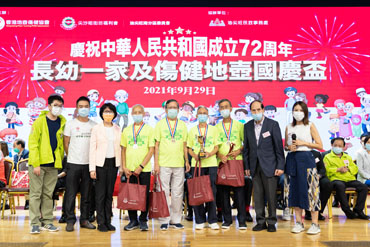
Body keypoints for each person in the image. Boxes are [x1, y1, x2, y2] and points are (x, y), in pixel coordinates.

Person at [243, 100, 285, 232]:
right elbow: (247, 149)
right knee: (258, 196)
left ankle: (271, 221)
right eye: (253, 111)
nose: (256, 113)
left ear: (263, 110)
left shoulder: (272, 124)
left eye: (258, 110)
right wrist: (247, 166)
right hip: (254, 166)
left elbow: (278, 147)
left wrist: (280, 165)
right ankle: (260, 221)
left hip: (271, 165)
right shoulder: (247, 126)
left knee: (271, 196)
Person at [28, 94, 66, 234]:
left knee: (48, 194)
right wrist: (36, 163)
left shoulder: (62, 122)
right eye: (55, 105)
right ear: (49, 106)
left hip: (53, 165)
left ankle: (48, 222)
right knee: (35, 194)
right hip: (38, 164)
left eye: (60, 106)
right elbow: (32, 144)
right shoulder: (39, 121)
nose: (58, 108)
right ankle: (35, 223)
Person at [285, 101, 323, 235]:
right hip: (292, 159)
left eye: (300, 110)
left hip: (306, 159)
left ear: (305, 112)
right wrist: (289, 147)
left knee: (311, 191)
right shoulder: (289, 126)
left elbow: (319, 144)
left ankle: (315, 224)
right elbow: (286, 145)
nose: (298, 112)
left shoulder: (310, 125)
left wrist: (304, 143)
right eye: (295, 110)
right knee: (294, 191)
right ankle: (299, 223)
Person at [154, 99, 189, 231]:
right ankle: (164, 220)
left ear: (178, 110)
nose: (173, 110)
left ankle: (176, 220)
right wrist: (156, 163)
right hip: (163, 163)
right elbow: (156, 145)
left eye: (175, 107)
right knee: (162, 192)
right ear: (166, 109)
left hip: (179, 163)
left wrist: (186, 160)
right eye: (170, 107)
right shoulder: (160, 124)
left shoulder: (183, 125)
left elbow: (185, 144)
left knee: (177, 193)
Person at [63, 96, 97, 232]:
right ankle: (70, 220)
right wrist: (71, 156)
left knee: (86, 194)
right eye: (81, 106)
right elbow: (66, 143)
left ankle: (84, 219)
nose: (83, 109)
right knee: (70, 193)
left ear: (90, 108)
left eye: (86, 106)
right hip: (73, 163)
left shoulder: (94, 125)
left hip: (88, 164)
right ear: (77, 108)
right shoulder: (70, 124)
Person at [121, 104, 154, 231]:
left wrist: (141, 166)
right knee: (131, 195)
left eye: (140, 112)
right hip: (129, 169)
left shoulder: (150, 129)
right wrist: (124, 166)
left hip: (144, 169)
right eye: (135, 112)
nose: (137, 114)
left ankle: (143, 220)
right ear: (131, 114)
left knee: (144, 195)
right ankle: (133, 220)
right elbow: (123, 149)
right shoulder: (126, 130)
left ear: (144, 113)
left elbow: (151, 150)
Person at [187, 105, 220, 230]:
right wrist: (194, 155)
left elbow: (216, 147)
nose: (202, 115)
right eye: (200, 113)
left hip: (211, 164)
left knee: (211, 192)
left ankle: (212, 220)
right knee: (198, 191)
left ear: (207, 116)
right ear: (196, 116)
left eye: (204, 113)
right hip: (197, 165)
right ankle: (199, 220)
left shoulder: (213, 130)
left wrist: (209, 154)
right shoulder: (192, 131)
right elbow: (189, 148)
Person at [89, 103, 121, 232]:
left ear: (114, 114)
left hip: (113, 164)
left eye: (110, 112)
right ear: (101, 113)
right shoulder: (96, 128)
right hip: (100, 164)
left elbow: (120, 148)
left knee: (109, 194)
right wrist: (92, 169)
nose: (108, 114)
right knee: (100, 195)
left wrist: (122, 166)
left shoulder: (118, 128)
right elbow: (92, 149)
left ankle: (108, 221)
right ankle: (101, 222)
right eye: (106, 112)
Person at [216, 99, 247, 230]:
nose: (223, 109)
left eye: (226, 107)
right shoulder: (216, 127)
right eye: (221, 107)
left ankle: (242, 221)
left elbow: (246, 143)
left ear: (231, 108)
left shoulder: (240, 125)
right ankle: (227, 220)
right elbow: (214, 145)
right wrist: (219, 155)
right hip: (222, 163)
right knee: (224, 193)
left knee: (239, 192)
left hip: (237, 162)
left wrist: (239, 150)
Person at [324, 137, 370, 220]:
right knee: (340, 186)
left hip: (349, 179)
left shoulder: (347, 157)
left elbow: (355, 168)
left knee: (363, 187)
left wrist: (348, 169)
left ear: (343, 147)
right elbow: (326, 170)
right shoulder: (327, 157)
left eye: (340, 146)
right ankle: (347, 211)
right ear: (332, 145)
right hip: (336, 179)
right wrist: (338, 169)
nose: (337, 147)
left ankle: (358, 211)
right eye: (335, 145)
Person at [304, 150, 332, 221]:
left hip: (318, 176)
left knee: (327, 184)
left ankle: (319, 211)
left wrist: (318, 176)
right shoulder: (299, 153)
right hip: (304, 177)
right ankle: (308, 212)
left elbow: (322, 169)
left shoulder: (316, 153)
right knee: (307, 184)